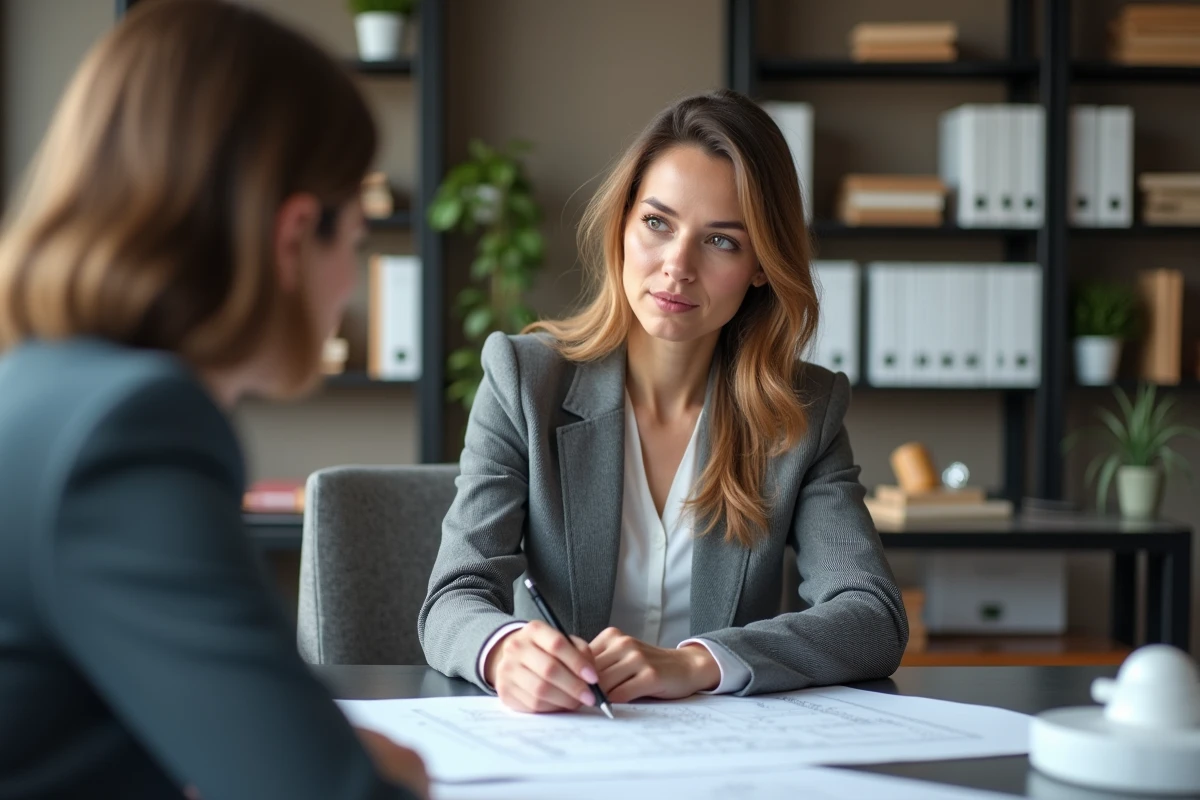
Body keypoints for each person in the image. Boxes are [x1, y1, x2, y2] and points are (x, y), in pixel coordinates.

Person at [0, 2, 427, 797]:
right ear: (293, 235)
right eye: (356, 240)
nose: (347, 282)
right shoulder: (130, 430)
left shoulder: (40, 390)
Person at [419, 89, 908, 714]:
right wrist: (505, 649)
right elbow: (452, 596)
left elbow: (871, 614)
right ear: (623, 224)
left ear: (761, 265)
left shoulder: (803, 411)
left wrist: (698, 663)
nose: (677, 265)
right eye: (657, 223)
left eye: (722, 241)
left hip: (721, 748)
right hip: (560, 736)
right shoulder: (525, 381)